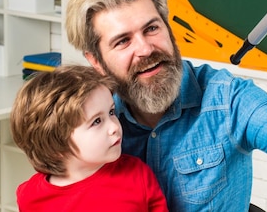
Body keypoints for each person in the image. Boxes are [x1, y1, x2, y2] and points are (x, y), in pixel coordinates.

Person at [65, 0, 267, 211]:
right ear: (96, 61)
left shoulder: (227, 98)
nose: (146, 49)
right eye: (123, 41)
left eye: (151, 28)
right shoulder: (89, 118)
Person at [10, 65, 169, 212]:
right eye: (97, 121)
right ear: (56, 144)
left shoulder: (137, 175)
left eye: (111, 112)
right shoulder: (30, 196)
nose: (114, 127)